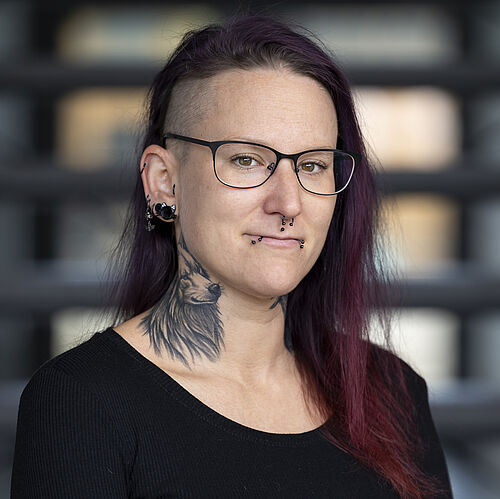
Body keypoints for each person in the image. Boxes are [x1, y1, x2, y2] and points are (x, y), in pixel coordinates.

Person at [10, 13, 453, 499]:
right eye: (247, 159)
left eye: (313, 165)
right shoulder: (81, 403)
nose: (288, 203)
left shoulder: (392, 392)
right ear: (164, 182)